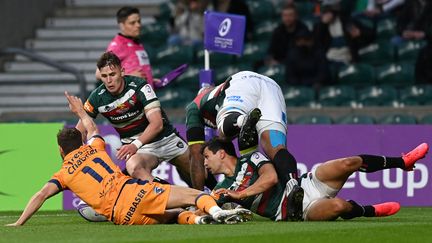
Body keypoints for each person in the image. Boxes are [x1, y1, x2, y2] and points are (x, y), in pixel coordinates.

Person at [5, 92, 252, 226]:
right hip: (134, 193)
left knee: (173, 215)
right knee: (195, 196)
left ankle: (199, 220)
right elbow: (91, 127)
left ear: (61, 152)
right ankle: (218, 212)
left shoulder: (63, 174)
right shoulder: (96, 147)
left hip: (122, 217)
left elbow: (40, 195)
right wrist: (80, 111)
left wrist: (19, 222)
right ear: (80, 143)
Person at [203, 137, 429, 221]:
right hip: (297, 211)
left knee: (349, 163)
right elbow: (205, 206)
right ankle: (369, 211)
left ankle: (403, 162)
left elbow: (271, 178)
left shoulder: (250, 157)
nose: (204, 163)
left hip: (304, 184)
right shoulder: (222, 189)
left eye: (206, 156)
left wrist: (240, 194)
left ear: (221, 153)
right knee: (339, 206)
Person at [84, 51, 191, 186]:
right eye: (104, 76)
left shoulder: (140, 85)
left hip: (165, 138)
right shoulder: (97, 97)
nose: (109, 80)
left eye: (112, 74)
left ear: (122, 72)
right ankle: (170, 194)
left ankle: (213, 197)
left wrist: (135, 145)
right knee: (134, 167)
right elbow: (81, 128)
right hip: (140, 149)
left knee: (198, 169)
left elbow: (157, 124)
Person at [186, 71, 298, 190]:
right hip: (272, 88)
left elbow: (196, 154)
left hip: (244, 83)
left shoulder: (195, 106)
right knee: (276, 149)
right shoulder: (219, 94)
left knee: (223, 133)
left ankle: (242, 120)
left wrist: (198, 198)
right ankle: (293, 187)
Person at [95, 6, 158, 88]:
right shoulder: (118, 45)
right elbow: (98, 73)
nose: (138, 25)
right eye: (132, 23)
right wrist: (128, 76)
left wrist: (150, 80)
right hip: (131, 99)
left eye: (139, 21)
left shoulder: (137, 42)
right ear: (122, 25)